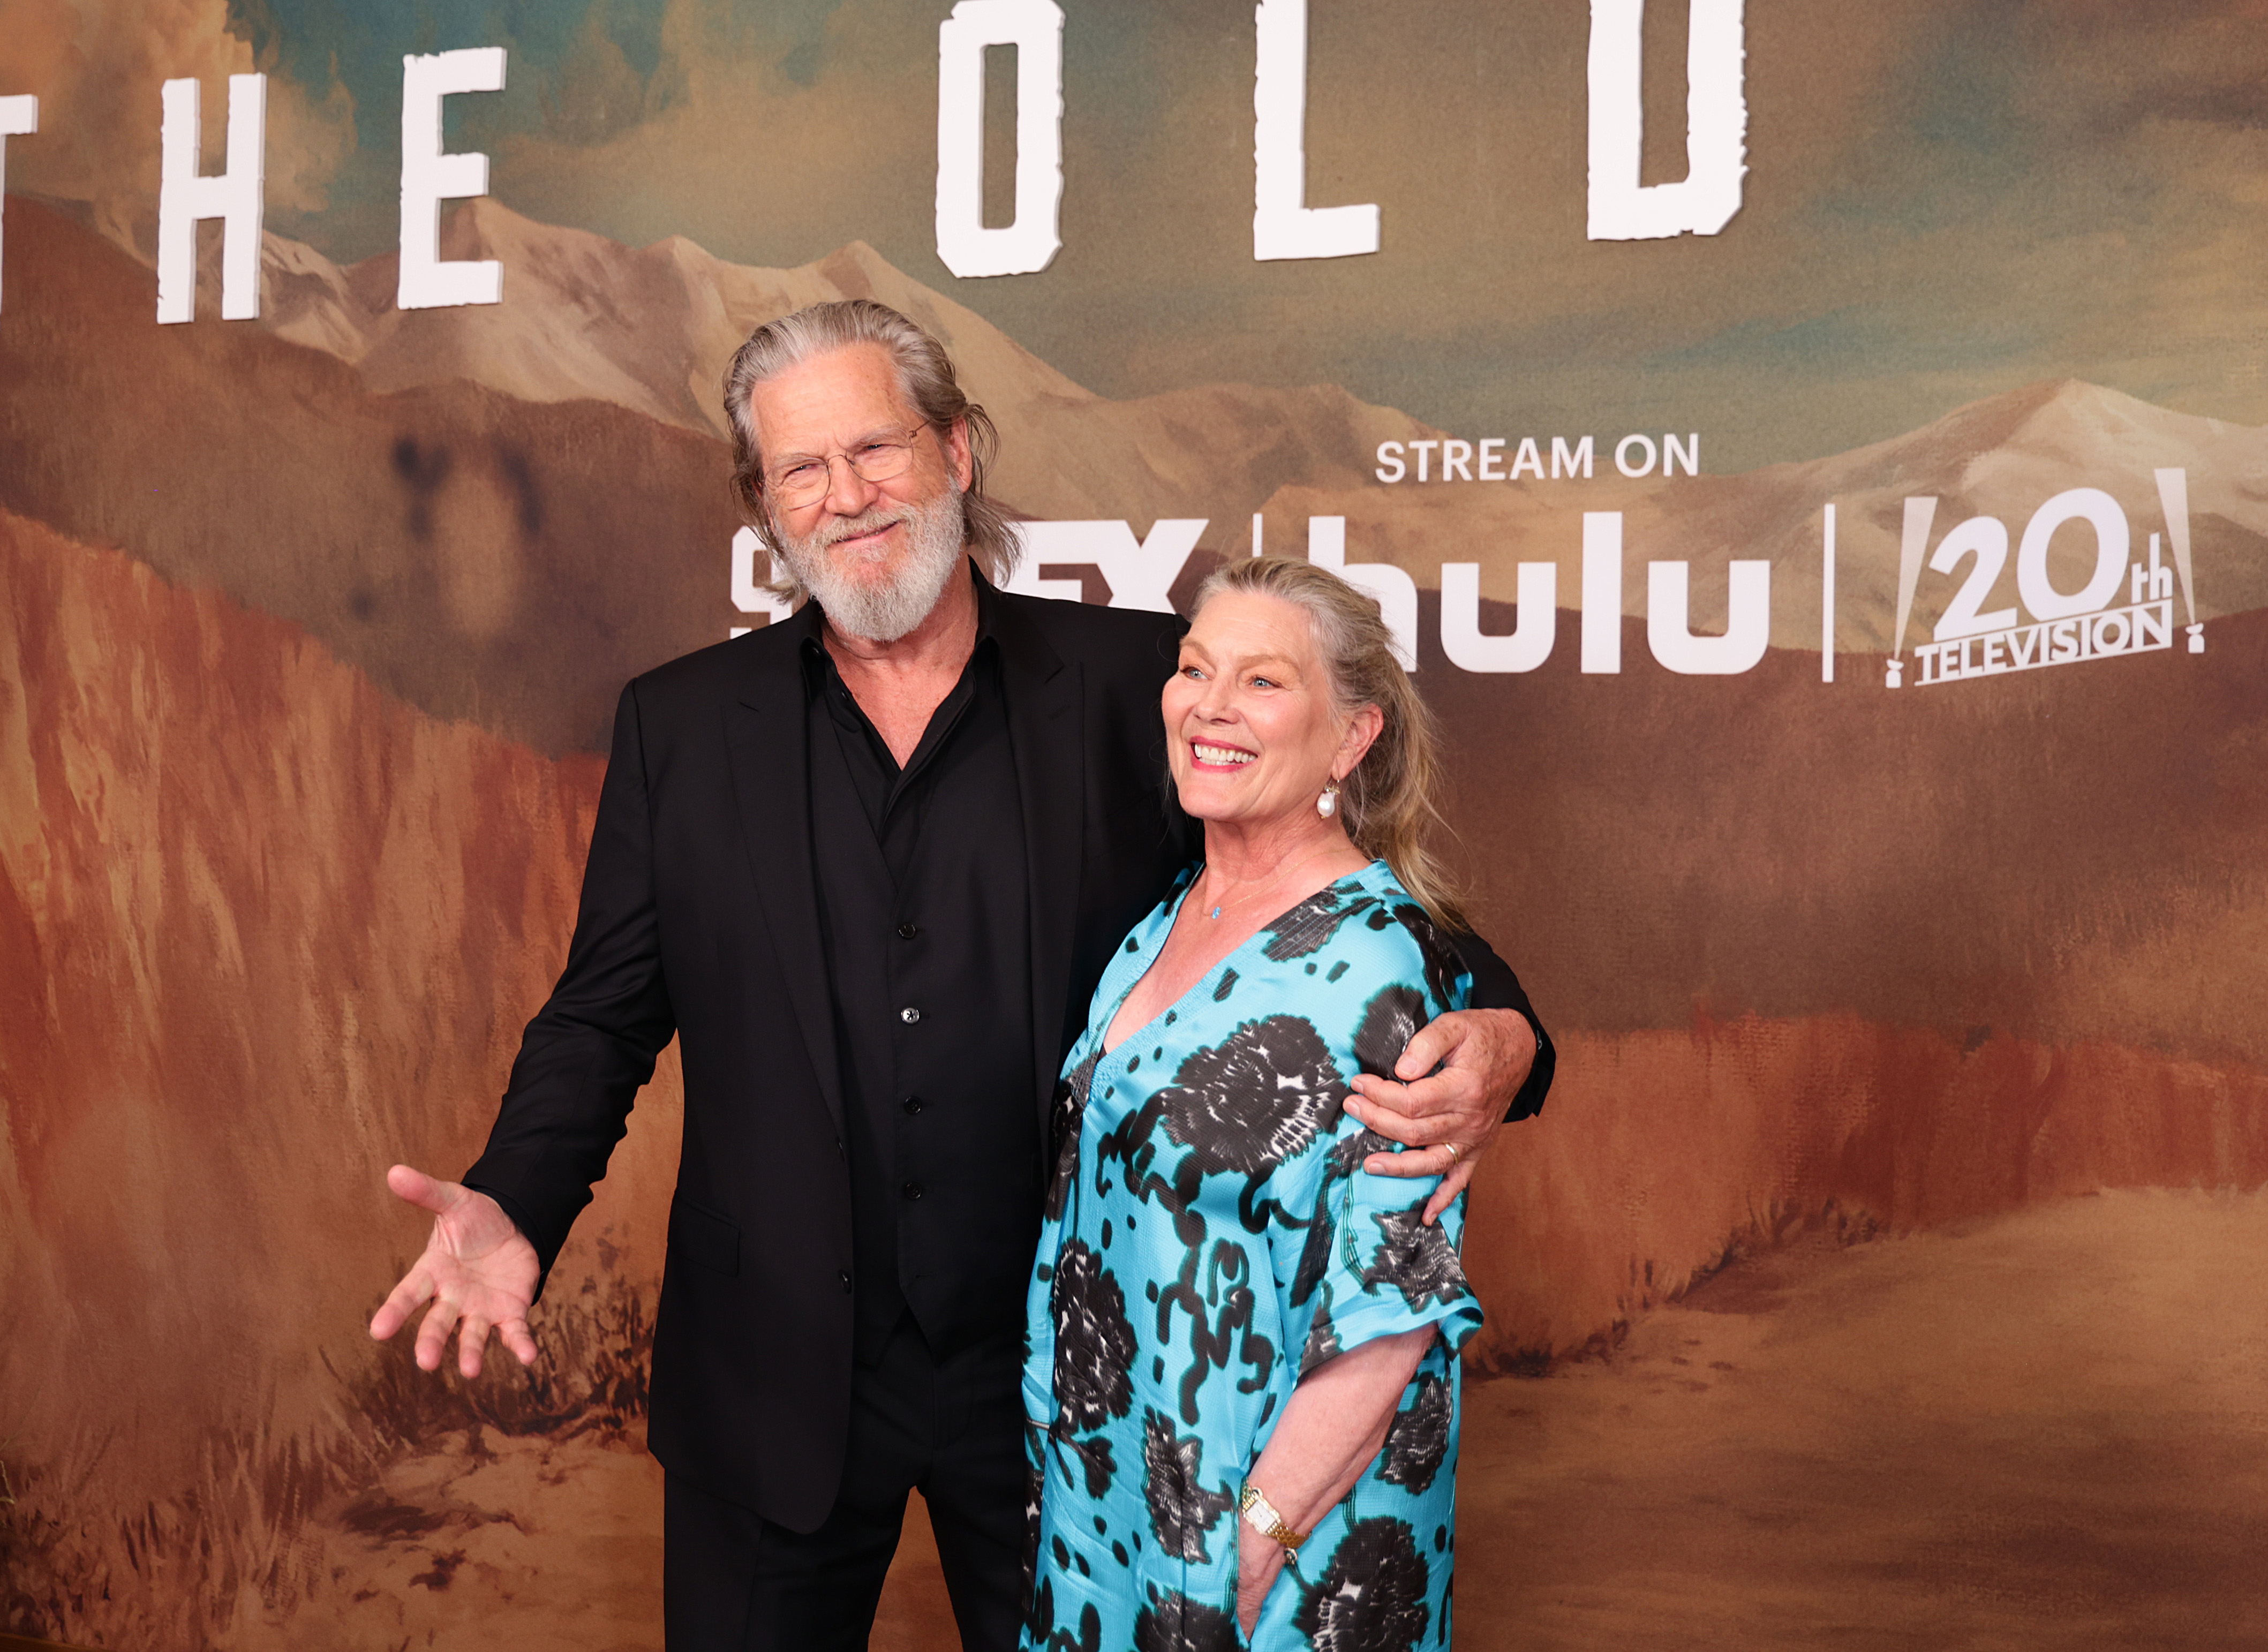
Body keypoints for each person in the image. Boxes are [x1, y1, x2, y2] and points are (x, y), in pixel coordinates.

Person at [366, 300, 1554, 1652]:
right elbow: (602, 1011)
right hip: (773, 1382)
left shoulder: (1134, 686)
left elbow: (1333, 884)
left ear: (959, 451)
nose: (847, 496)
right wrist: (518, 1197)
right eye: (800, 469)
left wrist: (1507, 1034)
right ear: (764, 505)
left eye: (876, 448)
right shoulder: (681, 728)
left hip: (1064, 1389)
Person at [1024, 556, 1487, 1652]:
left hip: (1275, 1535)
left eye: (1263, 682)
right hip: (1115, 1504)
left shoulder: (1380, 965)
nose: (1211, 706)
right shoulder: (1168, 918)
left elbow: (1391, 1314)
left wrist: (1254, 1542)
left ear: (1349, 737)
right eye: (1194, 670)